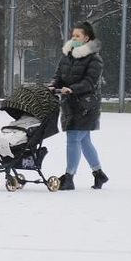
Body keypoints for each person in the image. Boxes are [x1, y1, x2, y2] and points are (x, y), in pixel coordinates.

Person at [50, 21, 108, 190]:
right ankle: (99, 174)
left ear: (86, 38)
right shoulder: (67, 56)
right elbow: (58, 75)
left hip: (86, 105)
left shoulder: (95, 59)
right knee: (84, 141)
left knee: (74, 138)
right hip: (69, 104)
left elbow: (90, 82)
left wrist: (72, 89)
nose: (73, 38)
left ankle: (69, 177)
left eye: (77, 36)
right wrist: (54, 85)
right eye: (73, 35)